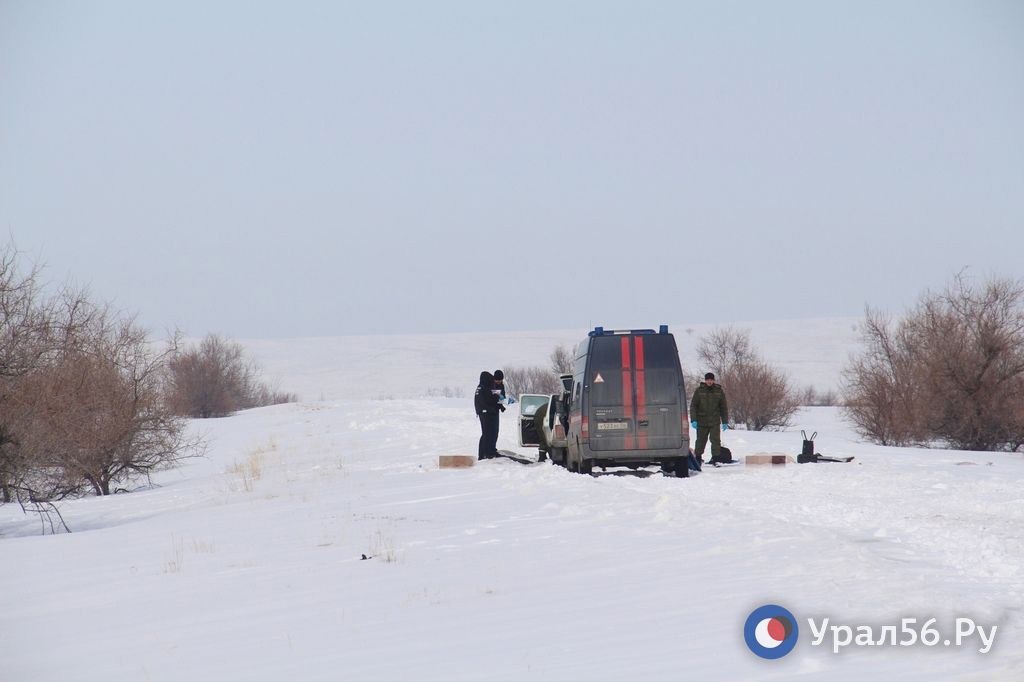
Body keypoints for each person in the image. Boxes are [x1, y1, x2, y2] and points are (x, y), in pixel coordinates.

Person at [690, 372, 730, 464]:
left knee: (715, 440)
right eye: (708, 380)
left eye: (711, 380)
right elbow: (693, 406)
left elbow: (723, 407)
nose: (709, 382)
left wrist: (725, 421)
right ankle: (698, 458)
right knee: (700, 440)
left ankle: (716, 459)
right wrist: (693, 419)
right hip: (702, 421)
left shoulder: (719, 391)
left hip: (714, 421)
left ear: (714, 380)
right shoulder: (699, 391)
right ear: (705, 380)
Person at [474, 371, 504, 459]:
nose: (496, 382)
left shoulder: (485, 387)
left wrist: (500, 405)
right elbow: (490, 399)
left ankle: (491, 450)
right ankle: (484, 454)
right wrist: (488, 410)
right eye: (495, 380)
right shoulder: (484, 388)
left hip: (490, 412)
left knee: (493, 432)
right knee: (486, 433)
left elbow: (498, 397)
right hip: (486, 413)